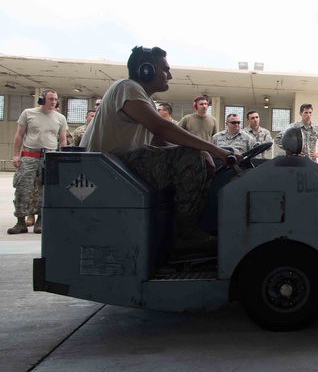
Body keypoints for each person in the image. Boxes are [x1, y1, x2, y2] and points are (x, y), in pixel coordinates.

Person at [82, 46, 241, 246]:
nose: (170, 75)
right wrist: (212, 149)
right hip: (108, 168)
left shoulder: (140, 96)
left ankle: (186, 229)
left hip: (117, 166)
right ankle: (186, 235)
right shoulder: (128, 87)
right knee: (190, 159)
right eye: (165, 69)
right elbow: (161, 128)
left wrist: (204, 151)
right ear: (146, 69)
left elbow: (160, 141)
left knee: (194, 156)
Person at [8, 89, 67, 234]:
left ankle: (41, 220)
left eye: (55, 99)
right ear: (42, 100)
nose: (53, 102)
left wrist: (63, 159)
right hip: (29, 156)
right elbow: (19, 135)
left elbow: (62, 140)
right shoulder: (28, 114)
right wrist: (16, 155)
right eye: (50, 99)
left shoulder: (60, 118)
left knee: (46, 190)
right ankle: (21, 221)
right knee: (23, 189)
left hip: (49, 157)